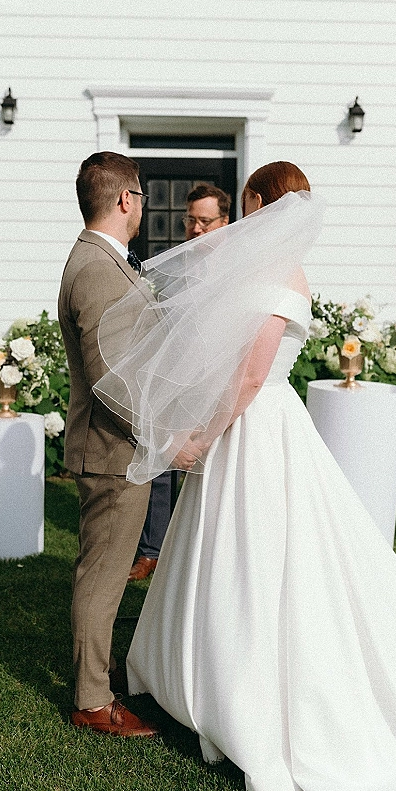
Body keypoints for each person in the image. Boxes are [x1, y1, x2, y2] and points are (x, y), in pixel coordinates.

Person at [94, 161, 396, 791]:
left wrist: (201, 435)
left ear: (256, 202)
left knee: (257, 552)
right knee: (243, 550)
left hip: (255, 426)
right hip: (268, 422)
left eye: (246, 204)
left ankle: (239, 696)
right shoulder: (285, 271)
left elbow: (250, 377)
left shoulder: (273, 275)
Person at [58, 151, 203, 736]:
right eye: (141, 196)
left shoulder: (107, 262)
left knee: (107, 568)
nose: (142, 205)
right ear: (125, 199)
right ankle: (92, 699)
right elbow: (108, 378)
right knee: (104, 572)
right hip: (112, 451)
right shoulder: (94, 267)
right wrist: (166, 440)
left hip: (121, 447)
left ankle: (98, 674)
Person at [127, 182, 232, 583]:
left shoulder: (235, 267)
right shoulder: (176, 263)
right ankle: (152, 551)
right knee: (162, 461)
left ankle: (198, 550)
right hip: (174, 377)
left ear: (225, 222)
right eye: (191, 220)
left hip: (216, 383)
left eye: (205, 221)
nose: (196, 229)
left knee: (210, 468)